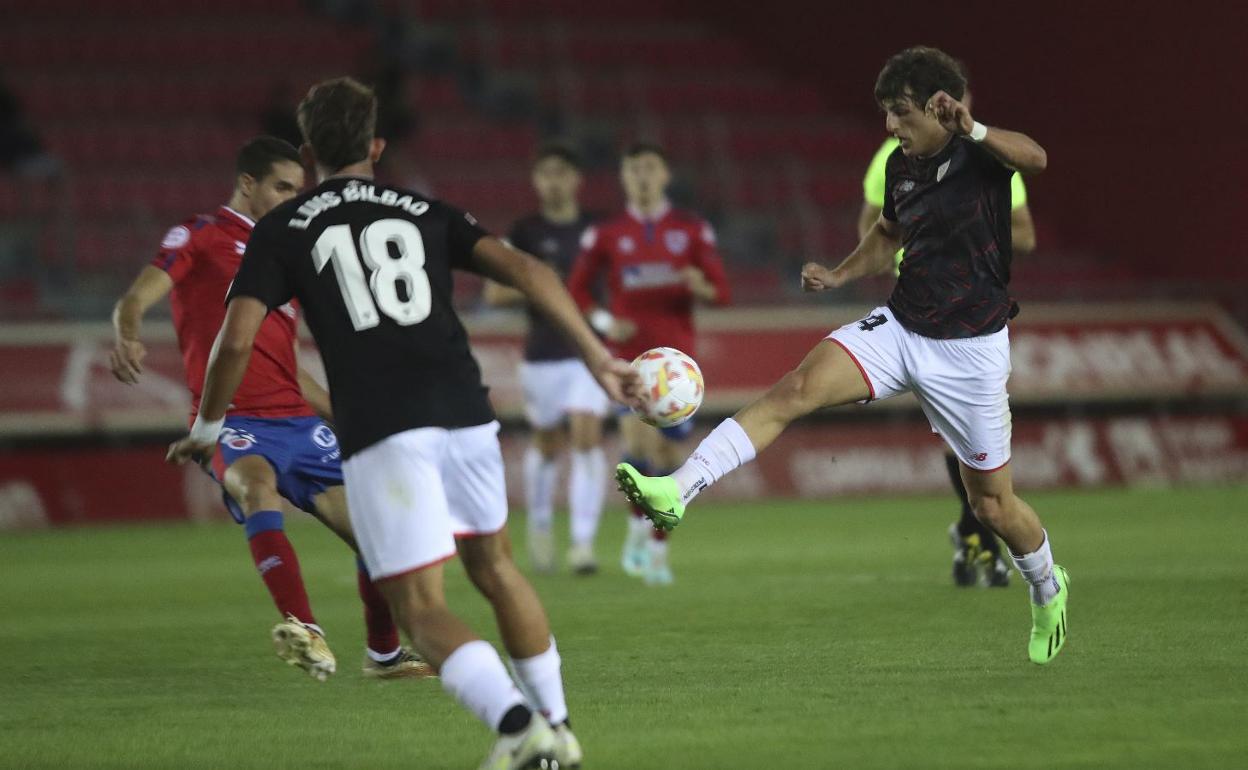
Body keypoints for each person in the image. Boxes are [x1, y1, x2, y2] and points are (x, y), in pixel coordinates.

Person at [167, 77, 638, 769]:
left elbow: (235, 341)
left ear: (308, 151)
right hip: (467, 412)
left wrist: (209, 427)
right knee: (497, 568)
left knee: (419, 607)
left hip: (386, 426)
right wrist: (599, 359)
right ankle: (558, 725)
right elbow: (530, 270)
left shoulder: (285, 228)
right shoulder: (424, 208)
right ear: (377, 147)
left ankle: (518, 726)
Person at [617, 47, 1070, 665]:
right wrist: (839, 273)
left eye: (902, 113)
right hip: (902, 327)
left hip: (971, 351)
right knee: (794, 392)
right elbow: (888, 234)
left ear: (943, 108)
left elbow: (1039, 159)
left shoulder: (983, 157)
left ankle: (1047, 586)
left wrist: (978, 128)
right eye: (886, 113)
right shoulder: (900, 167)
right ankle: (677, 490)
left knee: (992, 505)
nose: (890, 126)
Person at [111, 136, 428, 682]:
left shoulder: (290, 253)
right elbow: (135, 298)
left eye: (298, 190)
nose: (292, 198)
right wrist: (129, 334)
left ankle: (384, 655)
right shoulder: (202, 235)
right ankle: (306, 630)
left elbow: (288, 367)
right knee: (257, 487)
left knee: (374, 530)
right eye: (282, 187)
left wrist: (347, 413)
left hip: (298, 422)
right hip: (231, 420)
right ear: (249, 184)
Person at [859, 71, 1037, 588]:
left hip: (975, 310)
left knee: (972, 441)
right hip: (916, 313)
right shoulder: (891, 159)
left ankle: (974, 533)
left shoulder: (989, 154)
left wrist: (966, 230)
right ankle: (977, 537)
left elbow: (1023, 232)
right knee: (959, 438)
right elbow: (875, 226)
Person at [566, 142, 731, 586]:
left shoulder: (691, 229)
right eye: (633, 168)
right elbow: (577, 290)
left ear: (664, 175)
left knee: (671, 459)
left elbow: (722, 292)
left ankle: (658, 545)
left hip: (679, 369)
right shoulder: (606, 233)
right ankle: (639, 530)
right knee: (637, 452)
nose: (642, 176)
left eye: (650, 168)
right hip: (631, 364)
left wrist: (701, 286)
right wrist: (604, 320)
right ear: (623, 176)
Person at [483, 144, 608, 576]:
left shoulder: (597, 229)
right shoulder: (524, 233)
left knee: (587, 436)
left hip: (590, 351)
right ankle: (539, 526)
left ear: (576, 179)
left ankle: (582, 544)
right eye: (545, 175)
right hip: (543, 355)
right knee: (547, 445)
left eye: (561, 173)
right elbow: (494, 293)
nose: (553, 182)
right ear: (537, 182)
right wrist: (542, 286)